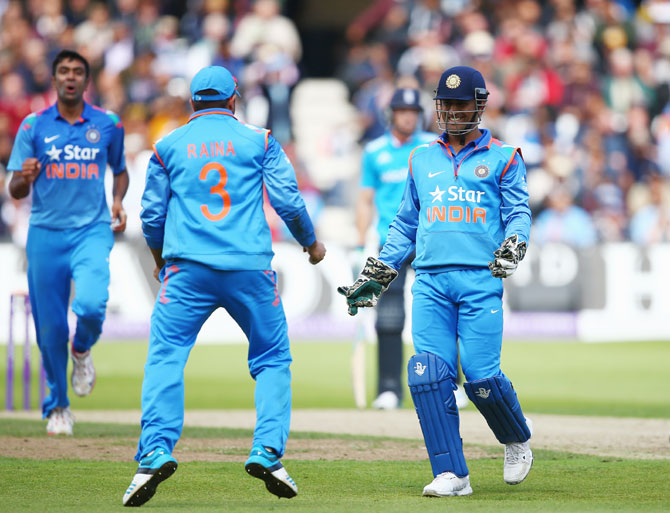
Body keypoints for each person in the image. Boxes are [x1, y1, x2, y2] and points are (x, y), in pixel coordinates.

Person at [122, 65, 326, 507]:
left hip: (187, 270)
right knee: (272, 358)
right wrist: (310, 243)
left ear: (192, 102)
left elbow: (152, 216)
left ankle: (154, 452)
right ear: (234, 99)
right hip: (249, 268)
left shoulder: (168, 146)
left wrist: (161, 261)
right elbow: (289, 200)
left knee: (166, 357)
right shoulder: (261, 140)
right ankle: (268, 451)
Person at [339, 65, 533, 497]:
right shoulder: (421, 158)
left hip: (480, 280)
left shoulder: (504, 157)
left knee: (481, 379)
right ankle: (453, 474)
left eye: (461, 104)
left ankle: (516, 436)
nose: (452, 112)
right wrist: (378, 273)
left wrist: (516, 242)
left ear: (479, 105)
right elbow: (405, 224)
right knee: (428, 374)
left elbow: (519, 212)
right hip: (429, 282)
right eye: (446, 104)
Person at [7, 50, 128, 436]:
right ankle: (58, 405)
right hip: (45, 234)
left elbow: (120, 170)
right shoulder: (33, 126)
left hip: (91, 230)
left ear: (86, 81)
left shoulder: (108, 123)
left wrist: (118, 200)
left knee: (91, 305)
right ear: (54, 79)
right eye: (64, 71)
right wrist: (25, 178)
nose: (70, 77)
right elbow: (15, 188)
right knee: (49, 330)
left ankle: (83, 348)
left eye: (77, 71)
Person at [355, 87, 435, 410]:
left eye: (414, 112)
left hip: (431, 236)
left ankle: (451, 382)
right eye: (403, 111)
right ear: (392, 114)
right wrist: (361, 243)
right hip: (392, 241)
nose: (409, 117)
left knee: (441, 308)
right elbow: (365, 200)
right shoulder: (375, 151)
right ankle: (389, 388)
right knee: (388, 316)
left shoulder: (432, 146)